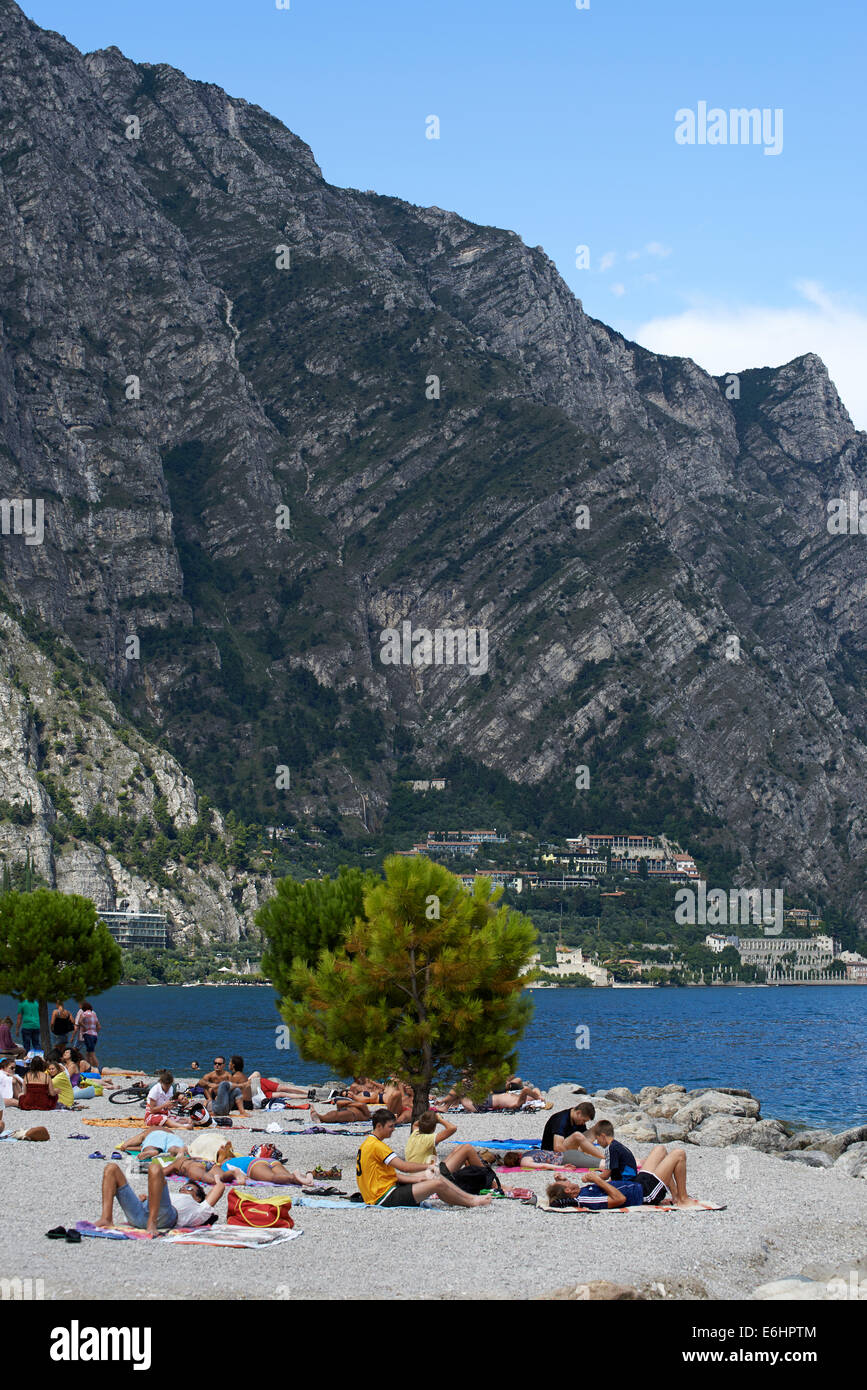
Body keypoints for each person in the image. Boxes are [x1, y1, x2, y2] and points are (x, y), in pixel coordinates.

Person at [355, 1109, 494, 1208]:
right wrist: (427, 1167)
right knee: (437, 1183)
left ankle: (471, 1198)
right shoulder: (377, 1146)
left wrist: (417, 1179)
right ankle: (472, 1202)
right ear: (379, 1126)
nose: (393, 1129)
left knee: (434, 1176)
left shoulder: (367, 1144)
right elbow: (403, 1166)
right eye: (391, 1126)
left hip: (378, 1193)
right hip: (384, 1197)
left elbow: (390, 1175)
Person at [96, 1160, 226, 1237]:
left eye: (190, 1188)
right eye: (183, 1188)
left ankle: (151, 1223)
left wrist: (215, 1174)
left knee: (155, 1168)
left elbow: (220, 1187)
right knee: (111, 1168)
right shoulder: (172, 1196)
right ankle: (106, 1218)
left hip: (165, 1217)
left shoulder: (200, 1208)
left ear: (198, 1198)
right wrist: (144, 1199)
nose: (184, 1189)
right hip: (140, 1213)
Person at [405, 1111, 490, 1172]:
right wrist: (439, 1119)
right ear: (433, 1128)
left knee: (459, 1148)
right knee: (467, 1148)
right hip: (429, 1175)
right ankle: (492, 1183)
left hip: (419, 1173)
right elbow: (452, 1128)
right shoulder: (428, 1139)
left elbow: (415, 1124)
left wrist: (427, 1119)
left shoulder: (415, 1133)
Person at [539, 1102, 603, 1166]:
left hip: (568, 1150)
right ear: (578, 1113)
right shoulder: (561, 1119)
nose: (583, 1123)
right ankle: (604, 1158)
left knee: (596, 1129)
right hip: (552, 1155)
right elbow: (557, 1147)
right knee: (577, 1136)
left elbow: (584, 1139)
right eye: (583, 1120)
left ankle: (600, 1157)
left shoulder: (577, 1120)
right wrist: (573, 1157)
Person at [546, 1174, 645, 1209]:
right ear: (567, 1190)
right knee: (658, 1149)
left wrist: (561, 1183)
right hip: (642, 1192)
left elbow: (565, 1192)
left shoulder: (579, 1192)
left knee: (659, 1150)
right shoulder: (585, 1199)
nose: (568, 1180)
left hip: (636, 1184)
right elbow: (620, 1199)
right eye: (564, 1181)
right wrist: (597, 1180)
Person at [218, 1152, 316, 1186]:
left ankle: (294, 1177)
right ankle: (304, 1178)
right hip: (269, 1160)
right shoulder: (238, 1158)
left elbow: (233, 1175)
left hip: (253, 1165)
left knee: (273, 1177)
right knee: (286, 1176)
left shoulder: (224, 1165)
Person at [73, 1001, 100, 1070]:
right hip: (94, 1035)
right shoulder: (94, 1014)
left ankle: (97, 1068)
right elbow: (99, 1026)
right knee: (88, 1053)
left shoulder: (84, 1013)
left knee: (91, 1053)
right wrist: (94, 1031)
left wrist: (85, 1027)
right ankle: (89, 1067)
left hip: (87, 1034)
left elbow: (79, 1022)